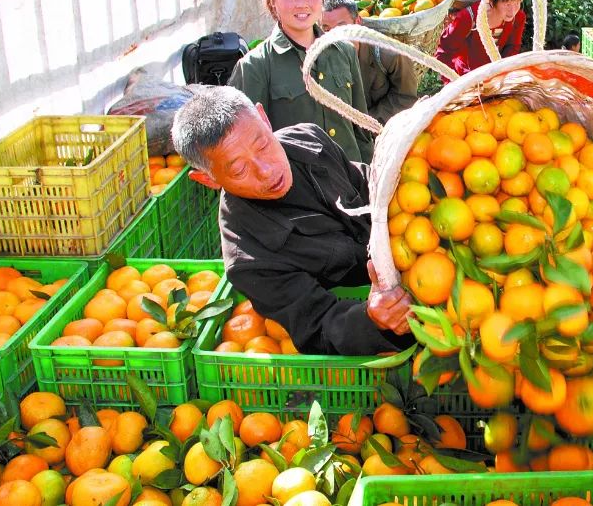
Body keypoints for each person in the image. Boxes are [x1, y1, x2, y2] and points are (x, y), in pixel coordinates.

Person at [171, 86, 413, 355]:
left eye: (262, 144)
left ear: (264, 118)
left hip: (418, 259)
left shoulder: (309, 141)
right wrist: (371, 319)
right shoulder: (249, 259)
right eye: (239, 169)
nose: (266, 170)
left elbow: (368, 184)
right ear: (209, 180)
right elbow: (317, 326)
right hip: (381, 329)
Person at [228, 0, 374, 164]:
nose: (302, 4)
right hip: (299, 190)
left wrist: (370, 180)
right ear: (272, 1)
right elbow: (249, 146)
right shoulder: (255, 66)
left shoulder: (344, 51)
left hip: (351, 180)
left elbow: (361, 128)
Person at [321, 0, 419, 124]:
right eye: (326, 29)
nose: (334, 35)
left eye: (341, 27)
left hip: (379, 128)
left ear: (357, 22)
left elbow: (406, 97)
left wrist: (364, 125)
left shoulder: (389, 54)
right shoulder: (317, 59)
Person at [435, 0, 526, 76]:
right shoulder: (468, 18)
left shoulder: (518, 17)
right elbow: (444, 52)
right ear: (491, 1)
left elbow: (512, 47)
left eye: (517, 3)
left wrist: (502, 72)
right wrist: (453, 81)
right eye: (507, 4)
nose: (512, 11)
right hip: (466, 77)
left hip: (493, 77)